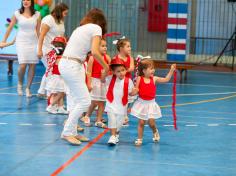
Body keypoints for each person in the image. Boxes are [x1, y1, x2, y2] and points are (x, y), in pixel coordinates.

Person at [58, 8, 109, 145]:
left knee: (76, 100)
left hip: (71, 63)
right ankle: (67, 132)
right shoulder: (96, 28)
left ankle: (73, 131)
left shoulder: (81, 28)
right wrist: (106, 66)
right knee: (85, 101)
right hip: (72, 64)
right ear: (101, 22)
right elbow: (95, 52)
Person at [131, 59, 176, 146]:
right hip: (141, 103)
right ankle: (139, 138)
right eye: (151, 68)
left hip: (151, 104)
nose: (153, 70)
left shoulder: (154, 79)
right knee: (141, 122)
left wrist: (171, 70)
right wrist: (133, 92)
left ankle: (155, 131)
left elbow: (166, 79)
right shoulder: (139, 78)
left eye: (153, 68)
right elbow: (136, 89)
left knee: (151, 123)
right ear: (144, 71)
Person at [0, 0, 41, 97]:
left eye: (27, 0)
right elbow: (10, 28)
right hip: (21, 41)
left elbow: (38, 31)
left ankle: (28, 88)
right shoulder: (17, 13)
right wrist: (3, 41)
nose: (25, 1)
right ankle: (19, 84)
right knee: (22, 65)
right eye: (24, 0)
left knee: (32, 65)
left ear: (31, 2)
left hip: (33, 42)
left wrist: (40, 45)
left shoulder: (37, 14)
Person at [37, 2, 69, 98]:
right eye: (65, 13)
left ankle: (42, 91)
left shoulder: (60, 21)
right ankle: (49, 93)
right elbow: (41, 36)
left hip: (57, 50)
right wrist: (39, 50)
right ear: (60, 11)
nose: (66, 15)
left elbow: (61, 36)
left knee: (50, 69)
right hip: (46, 49)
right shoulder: (48, 20)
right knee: (51, 70)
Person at [105, 58, 137, 145]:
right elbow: (102, 76)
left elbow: (130, 93)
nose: (121, 73)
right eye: (118, 71)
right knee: (112, 120)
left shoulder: (128, 81)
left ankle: (116, 134)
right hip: (111, 103)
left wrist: (135, 92)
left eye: (123, 70)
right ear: (114, 72)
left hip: (122, 105)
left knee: (119, 123)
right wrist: (108, 67)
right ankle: (112, 136)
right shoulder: (109, 78)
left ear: (126, 70)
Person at [81, 38, 111, 128]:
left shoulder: (107, 58)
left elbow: (110, 70)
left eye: (106, 46)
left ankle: (98, 120)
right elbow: (89, 72)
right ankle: (87, 116)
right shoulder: (92, 58)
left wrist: (106, 74)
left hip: (103, 82)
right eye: (102, 46)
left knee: (102, 102)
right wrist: (89, 83)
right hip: (95, 81)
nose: (105, 48)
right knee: (94, 102)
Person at [113, 37, 134, 125]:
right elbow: (114, 71)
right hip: (118, 82)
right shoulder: (116, 58)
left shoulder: (130, 58)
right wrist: (122, 71)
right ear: (121, 49)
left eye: (130, 46)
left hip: (128, 81)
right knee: (119, 99)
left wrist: (123, 71)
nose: (130, 48)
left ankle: (124, 115)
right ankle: (120, 115)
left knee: (129, 99)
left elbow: (132, 68)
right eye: (128, 46)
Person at [45, 36, 68, 114]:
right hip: (58, 76)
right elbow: (60, 68)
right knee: (62, 92)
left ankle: (61, 107)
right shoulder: (59, 55)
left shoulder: (53, 53)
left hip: (57, 76)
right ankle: (51, 106)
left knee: (60, 91)